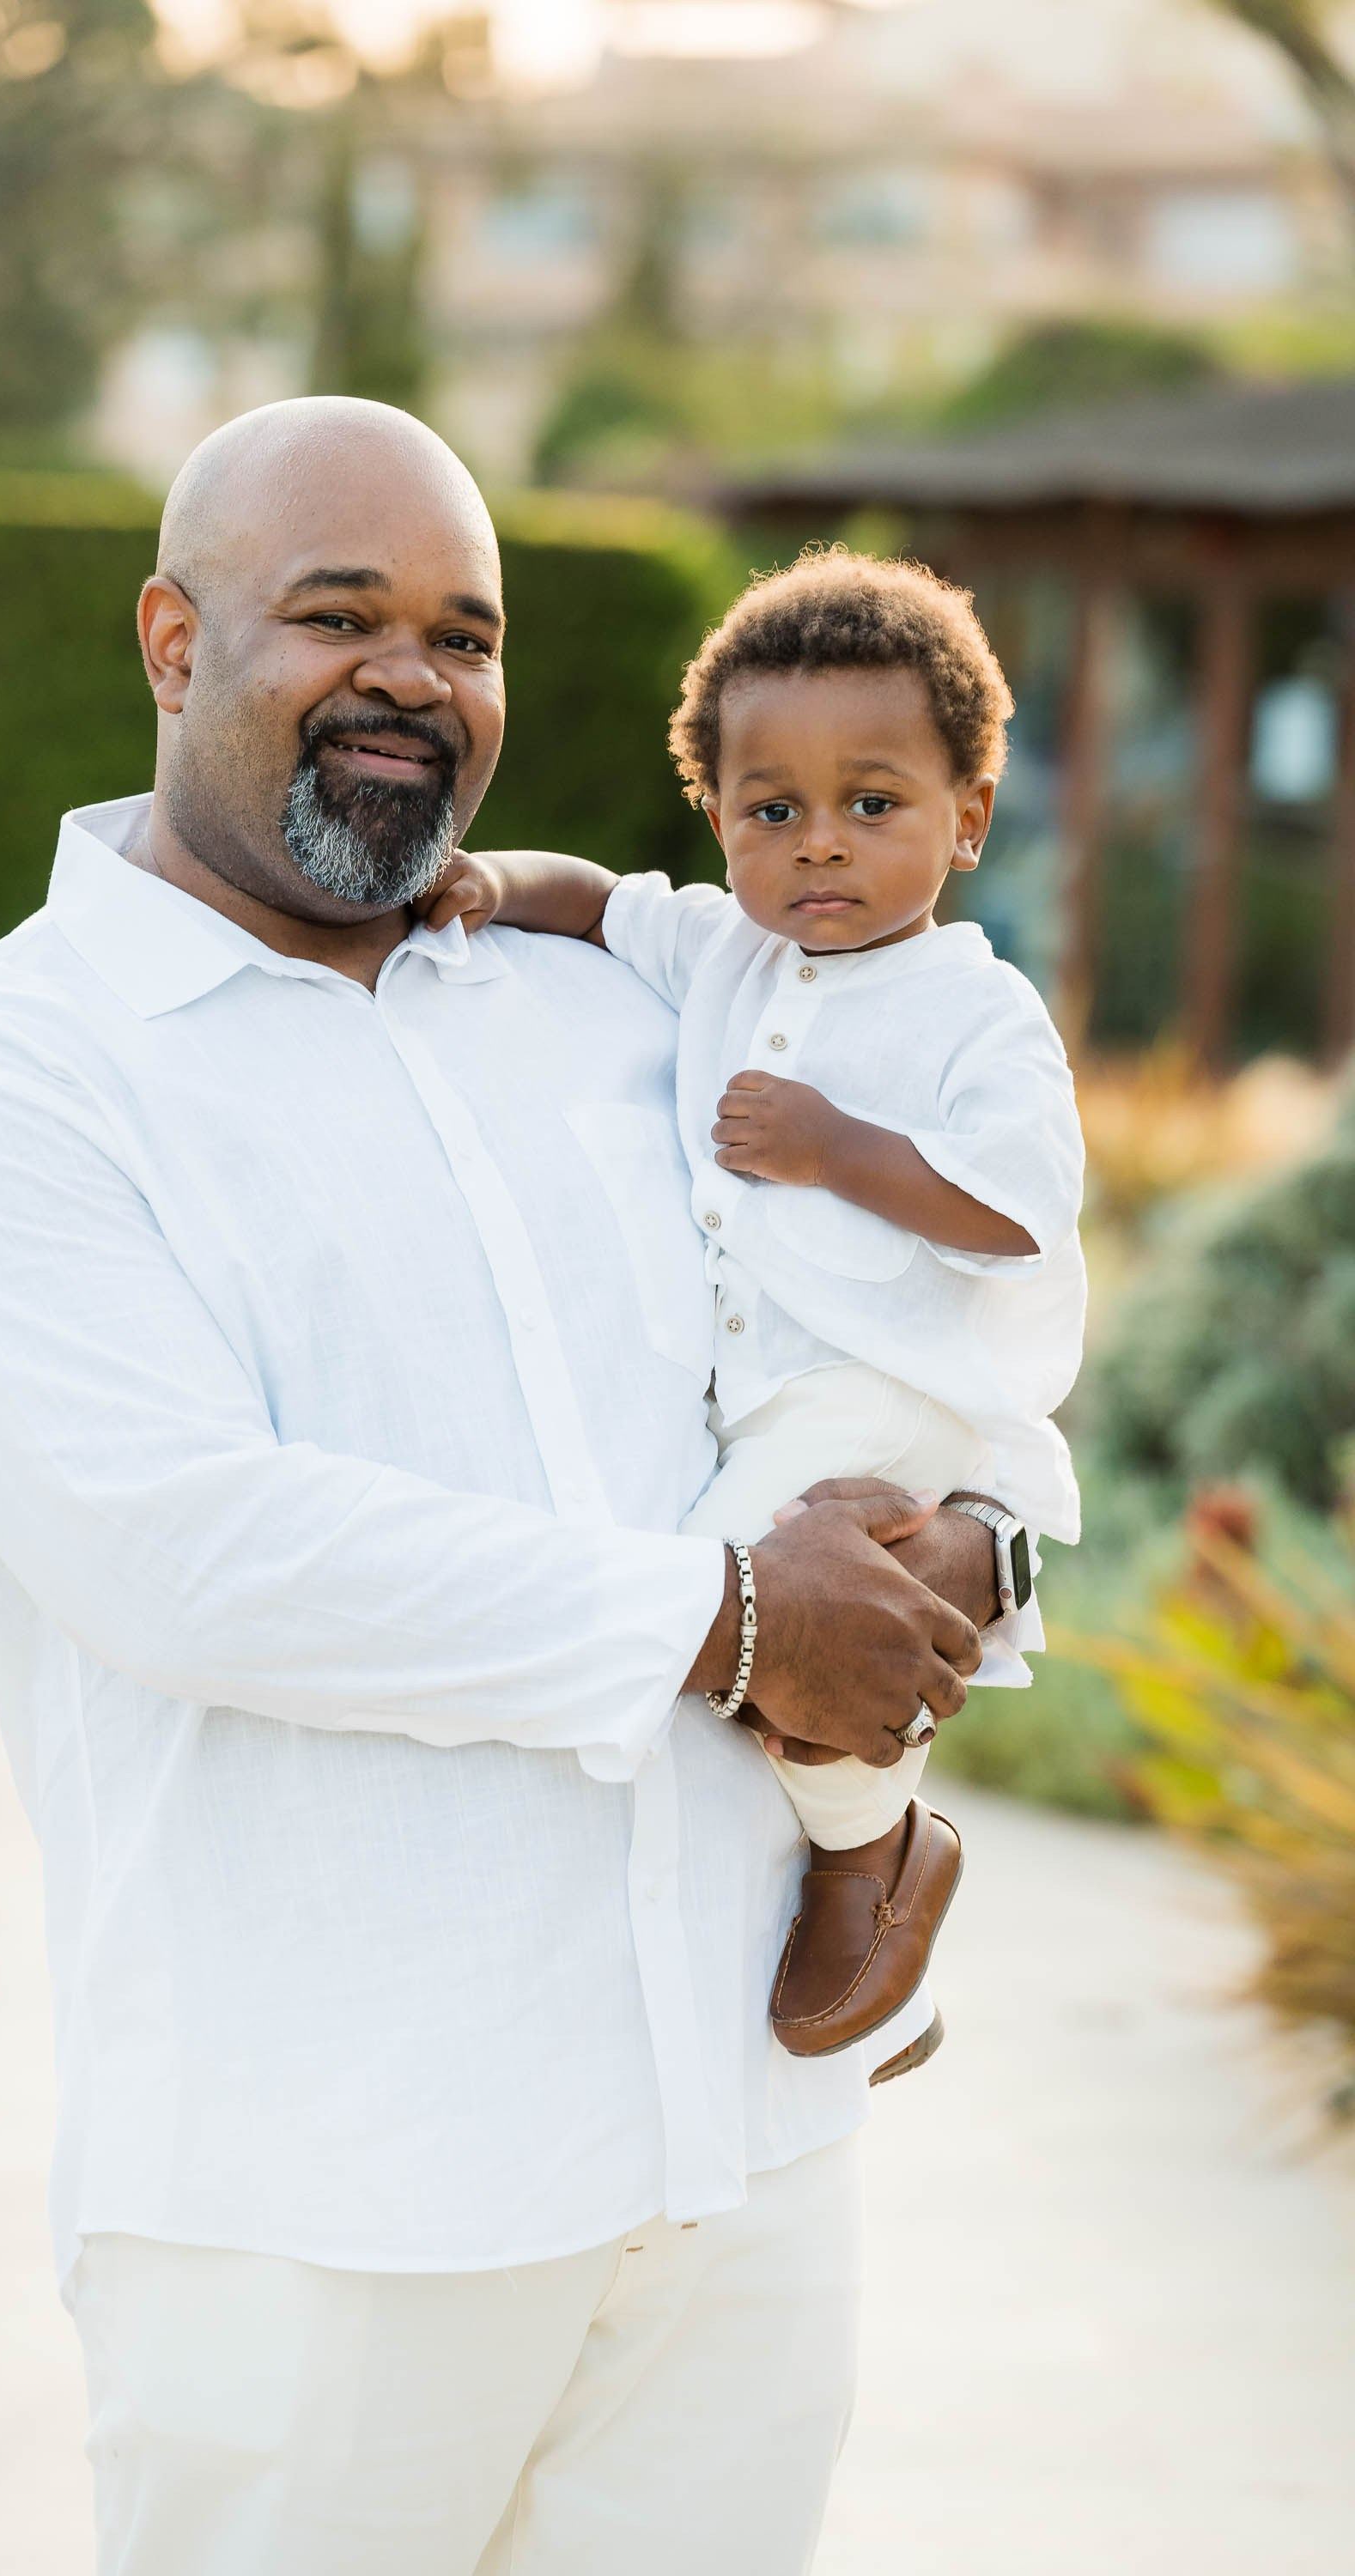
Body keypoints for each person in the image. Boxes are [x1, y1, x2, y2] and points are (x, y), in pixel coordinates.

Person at [0, 400, 1014, 2576]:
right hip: (328, 2209)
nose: (415, 678)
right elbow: (188, 1552)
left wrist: (977, 1550)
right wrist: (734, 1620)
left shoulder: (613, 1021)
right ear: (172, 639)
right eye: (338, 616)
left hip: (735, 2156)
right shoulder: (5, 1089)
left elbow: (883, 1323)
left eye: (464, 636)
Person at [429, 549, 1085, 2072]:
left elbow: (1017, 1211)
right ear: (718, 819)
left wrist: (835, 1149)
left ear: (967, 819)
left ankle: (878, 1858)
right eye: (769, 811)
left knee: (728, 1606)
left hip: (887, 1381)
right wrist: (486, 884)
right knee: (740, 1629)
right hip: (779, 1387)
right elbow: (600, 907)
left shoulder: (973, 1009)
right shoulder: (727, 948)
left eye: (875, 804)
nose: (819, 849)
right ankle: (872, 1878)